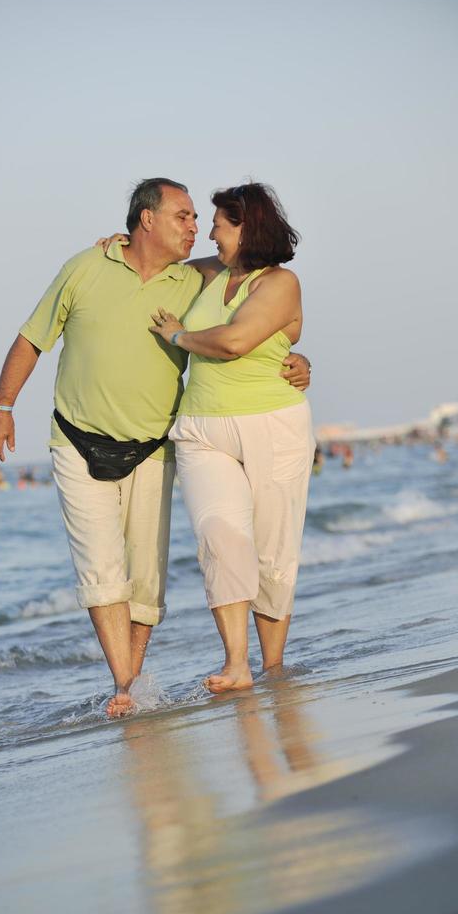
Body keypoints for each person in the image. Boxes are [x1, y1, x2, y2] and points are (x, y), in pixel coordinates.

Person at [0, 178, 311, 717]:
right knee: (109, 564)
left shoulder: (194, 280)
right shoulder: (87, 267)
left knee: (149, 578)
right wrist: (2, 406)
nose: (196, 227)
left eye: (202, 219)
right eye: (183, 216)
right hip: (83, 435)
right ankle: (128, 685)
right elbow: (32, 337)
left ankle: (152, 678)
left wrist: (300, 361)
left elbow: (261, 315)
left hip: (158, 444)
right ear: (147, 220)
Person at [149, 182, 315, 693]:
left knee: (272, 551)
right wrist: (121, 241)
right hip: (202, 428)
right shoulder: (210, 273)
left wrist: (177, 336)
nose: (208, 231)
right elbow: (163, 263)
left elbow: (238, 341)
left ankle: (271, 667)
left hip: (274, 425)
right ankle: (237, 664)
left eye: (218, 223)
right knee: (220, 540)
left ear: (245, 226)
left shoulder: (280, 282)